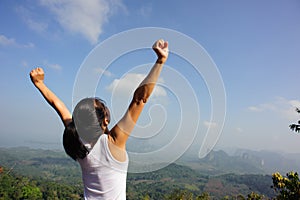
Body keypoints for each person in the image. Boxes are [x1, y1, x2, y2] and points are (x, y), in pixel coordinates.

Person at [29, 39, 169, 200]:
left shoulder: (76, 139)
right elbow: (140, 100)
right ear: (105, 121)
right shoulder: (114, 142)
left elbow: (58, 106)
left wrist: (39, 83)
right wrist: (160, 61)